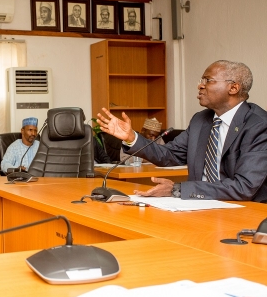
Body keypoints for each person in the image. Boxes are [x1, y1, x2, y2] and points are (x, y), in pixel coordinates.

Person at [97, 60, 267, 202]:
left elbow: (244, 187)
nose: (200, 86)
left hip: (246, 211)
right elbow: (169, 155)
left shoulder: (258, 125)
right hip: (200, 206)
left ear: (233, 88)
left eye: (208, 80)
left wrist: (178, 189)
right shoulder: (201, 120)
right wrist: (132, 137)